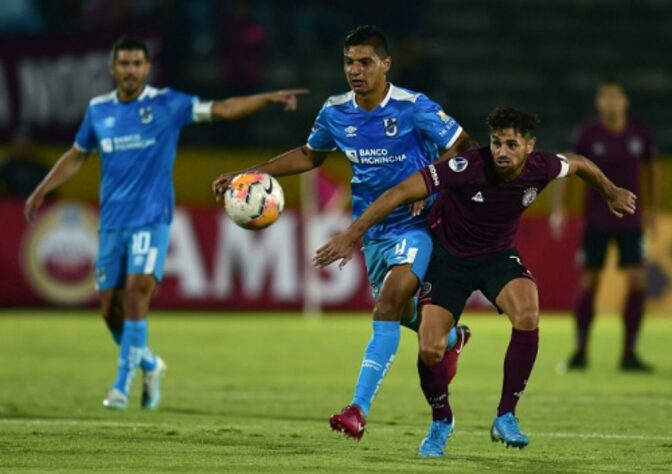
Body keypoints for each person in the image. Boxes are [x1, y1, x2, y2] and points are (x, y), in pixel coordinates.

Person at [313, 108, 636, 454]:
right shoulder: (466, 167)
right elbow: (400, 192)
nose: (502, 151)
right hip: (449, 259)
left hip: (497, 256)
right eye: (497, 142)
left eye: (512, 144)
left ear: (530, 146)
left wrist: (611, 191)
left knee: (528, 311)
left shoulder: (543, 167)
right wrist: (351, 234)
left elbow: (581, 164)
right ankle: (441, 420)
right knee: (430, 347)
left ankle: (506, 416)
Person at [212, 25, 476, 440]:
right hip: (373, 230)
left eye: (365, 62)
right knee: (403, 313)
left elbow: (465, 147)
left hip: (417, 225)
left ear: (385, 65)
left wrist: (432, 183)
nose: (355, 70)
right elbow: (310, 155)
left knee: (389, 300)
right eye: (349, 62)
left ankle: (358, 409)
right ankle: (451, 336)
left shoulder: (413, 106)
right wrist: (251, 172)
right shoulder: (335, 111)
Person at [24, 35, 308, 410]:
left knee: (135, 294)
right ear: (112, 68)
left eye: (136, 64)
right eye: (123, 63)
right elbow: (77, 156)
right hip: (112, 222)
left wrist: (266, 99)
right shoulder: (98, 111)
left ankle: (121, 385)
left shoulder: (167, 105)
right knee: (110, 311)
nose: (129, 70)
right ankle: (150, 363)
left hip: (152, 218)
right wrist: (43, 188)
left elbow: (221, 109)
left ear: (146, 67)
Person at [550, 80, 658, 371]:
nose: (611, 103)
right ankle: (581, 351)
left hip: (632, 221)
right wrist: (560, 209)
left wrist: (651, 209)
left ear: (625, 102)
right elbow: (569, 167)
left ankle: (629, 354)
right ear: (599, 103)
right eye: (606, 98)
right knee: (589, 282)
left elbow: (650, 170)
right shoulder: (588, 134)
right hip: (596, 221)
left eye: (616, 97)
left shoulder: (639, 133)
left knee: (637, 282)